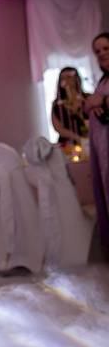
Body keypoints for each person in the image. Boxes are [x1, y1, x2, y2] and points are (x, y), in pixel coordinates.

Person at [86, 32, 109, 255]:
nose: (101, 54)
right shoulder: (103, 80)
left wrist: (100, 101)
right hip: (102, 151)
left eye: (106, 48)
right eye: (97, 51)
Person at [51, 66, 89, 149]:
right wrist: (78, 138)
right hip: (67, 145)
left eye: (69, 77)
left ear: (76, 79)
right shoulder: (57, 104)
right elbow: (58, 128)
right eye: (62, 78)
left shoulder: (87, 98)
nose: (66, 80)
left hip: (89, 141)